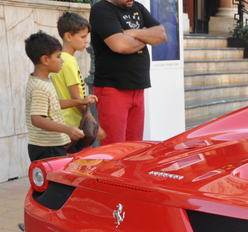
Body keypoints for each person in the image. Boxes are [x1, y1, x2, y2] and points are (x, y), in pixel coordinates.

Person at [89, 0, 166, 145]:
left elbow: (161, 35)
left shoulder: (137, 6)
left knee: (134, 148)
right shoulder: (101, 9)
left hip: (138, 88)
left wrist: (133, 33)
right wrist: (146, 37)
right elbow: (120, 45)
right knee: (115, 149)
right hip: (113, 89)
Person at [23, 31, 94, 162]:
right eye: (58, 56)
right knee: (52, 182)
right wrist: (68, 129)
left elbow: (54, 104)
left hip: (52, 145)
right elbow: (37, 119)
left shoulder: (44, 80)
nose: (62, 61)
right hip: (46, 148)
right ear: (45, 59)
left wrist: (80, 101)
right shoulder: (39, 86)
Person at [51, 12, 105, 147]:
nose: (86, 40)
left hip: (64, 124)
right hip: (71, 126)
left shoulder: (60, 59)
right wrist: (94, 125)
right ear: (68, 36)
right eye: (82, 36)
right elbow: (78, 100)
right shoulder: (68, 62)